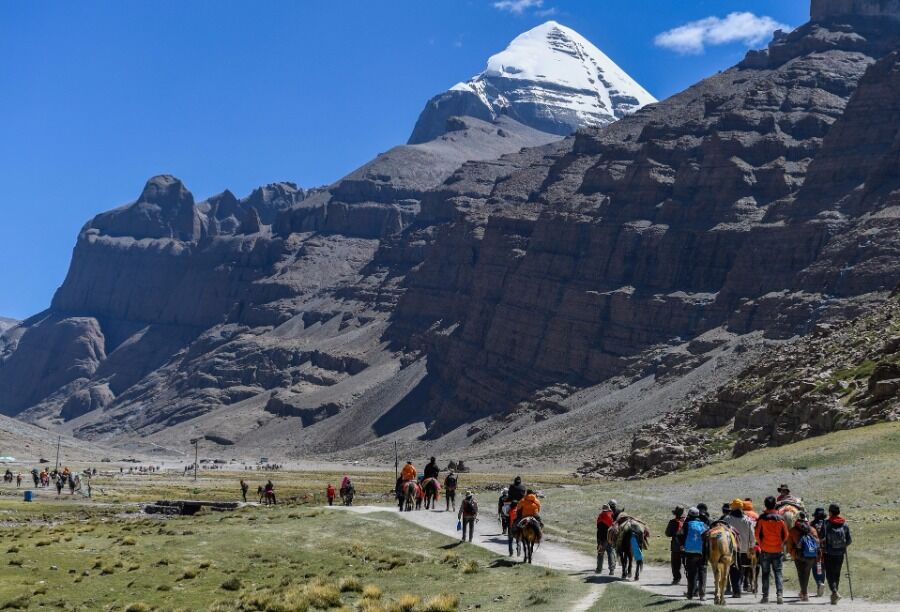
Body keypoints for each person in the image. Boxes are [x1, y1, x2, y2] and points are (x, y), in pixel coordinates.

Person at [755, 495, 788, 604]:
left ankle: (765, 597)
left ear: (765, 505)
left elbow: (757, 534)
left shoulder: (762, 518)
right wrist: (781, 544)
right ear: (775, 505)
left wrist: (761, 545)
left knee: (765, 573)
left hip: (765, 550)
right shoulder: (781, 519)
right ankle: (780, 595)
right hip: (777, 550)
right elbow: (786, 535)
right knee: (778, 572)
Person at [724, 498, 756, 599]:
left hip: (731, 549)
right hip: (744, 549)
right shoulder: (747, 520)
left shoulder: (727, 519)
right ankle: (738, 587)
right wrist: (751, 547)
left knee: (733, 569)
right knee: (741, 568)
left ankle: (736, 590)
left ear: (733, 507)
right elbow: (752, 535)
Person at [822, 504, 852, 605]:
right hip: (840, 553)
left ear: (830, 512)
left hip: (828, 553)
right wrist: (843, 547)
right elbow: (849, 540)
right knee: (837, 573)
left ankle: (834, 592)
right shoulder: (844, 524)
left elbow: (822, 537)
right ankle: (834, 595)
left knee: (829, 574)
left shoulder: (826, 523)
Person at [789, 511, 820, 602]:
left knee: (801, 573)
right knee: (806, 574)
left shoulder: (792, 530)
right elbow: (817, 542)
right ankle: (803, 592)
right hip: (811, 555)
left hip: (798, 555)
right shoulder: (812, 529)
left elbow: (789, 546)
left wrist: (793, 554)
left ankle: (804, 593)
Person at [678, 507, 708, 600]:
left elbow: (680, 535)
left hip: (690, 552)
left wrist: (682, 545)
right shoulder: (703, 525)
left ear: (689, 514)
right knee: (702, 573)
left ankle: (690, 594)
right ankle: (702, 595)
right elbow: (707, 536)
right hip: (701, 552)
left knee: (691, 573)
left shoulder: (686, 524)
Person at [664, 505, 685, 584]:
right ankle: (690, 578)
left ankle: (676, 578)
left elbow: (667, 533)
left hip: (676, 546)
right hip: (685, 546)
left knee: (675, 563)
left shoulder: (672, 522)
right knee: (686, 562)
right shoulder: (685, 521)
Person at [810, 507, 828, 597]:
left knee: (815, 568)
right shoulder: (827, 523)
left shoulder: (812, 524)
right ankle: (822, 583)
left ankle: (819, 583)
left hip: (815, 550)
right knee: (822, 568)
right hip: (826, 550)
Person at [597, 504, 616, 575]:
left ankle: (599, 569)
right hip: (609, 537)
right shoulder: (611, 515)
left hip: (601, 538)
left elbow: (598, 527)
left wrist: (598, 540)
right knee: (610, 553)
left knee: (600, 554)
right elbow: (613, 527)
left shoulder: (600, 516)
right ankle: (612, 570)